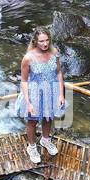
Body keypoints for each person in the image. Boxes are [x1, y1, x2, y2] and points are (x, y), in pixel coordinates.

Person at [15, 26, 65, 164]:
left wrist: (61, 94)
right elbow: (24, 81)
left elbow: (59, 73)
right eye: (42, 41)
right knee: (32, 121)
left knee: (48, 117)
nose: (45, 44)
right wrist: (29, 102)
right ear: (35, 41)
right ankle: (31, 147)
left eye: (47, 40)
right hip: (34, 94)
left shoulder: (54, 53)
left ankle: (45, 140)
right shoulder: (28, 58)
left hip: (51, 91)